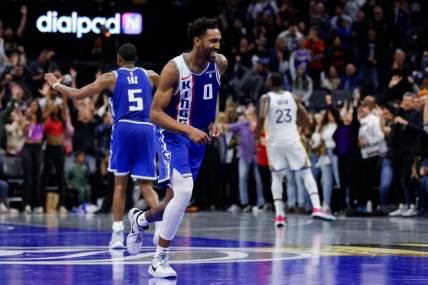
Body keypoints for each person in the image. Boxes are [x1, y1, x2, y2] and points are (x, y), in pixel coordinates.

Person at [126, 17, 227, 279]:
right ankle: (158, 260)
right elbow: (155, 114)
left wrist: (216, 120)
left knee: (174, 203)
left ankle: (140, 220)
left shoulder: (220, 64)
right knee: (184, 190)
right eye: (212, 40)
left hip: (198, 139)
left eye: (219, 40)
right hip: (172, 135)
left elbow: (214, 94)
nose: (217, 45)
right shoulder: (174, 68)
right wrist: (189, 129)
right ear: (197, 42)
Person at [44, 43, 161, 249]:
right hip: (146, 128)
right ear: (137, 58)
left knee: (119, 184)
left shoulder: (111, 77)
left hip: (124, 128)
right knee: (146, 185)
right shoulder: (151, 75)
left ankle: (117, 234)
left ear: (118, 60)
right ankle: (161, 228)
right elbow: (171, 89)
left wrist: (55, 85)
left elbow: (79, 93)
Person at [258, 72, 336, 227]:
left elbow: (261, 117)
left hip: (274, 142)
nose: (265, 81)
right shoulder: (292, 96)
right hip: (292, 139)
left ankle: (280, 215)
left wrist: (257, 135)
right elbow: (305, 118)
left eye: (267, 79)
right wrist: (304, 125)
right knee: (306, 172)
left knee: (277, 177)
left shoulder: (265, 98)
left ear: (272, 82)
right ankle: (316, 208)